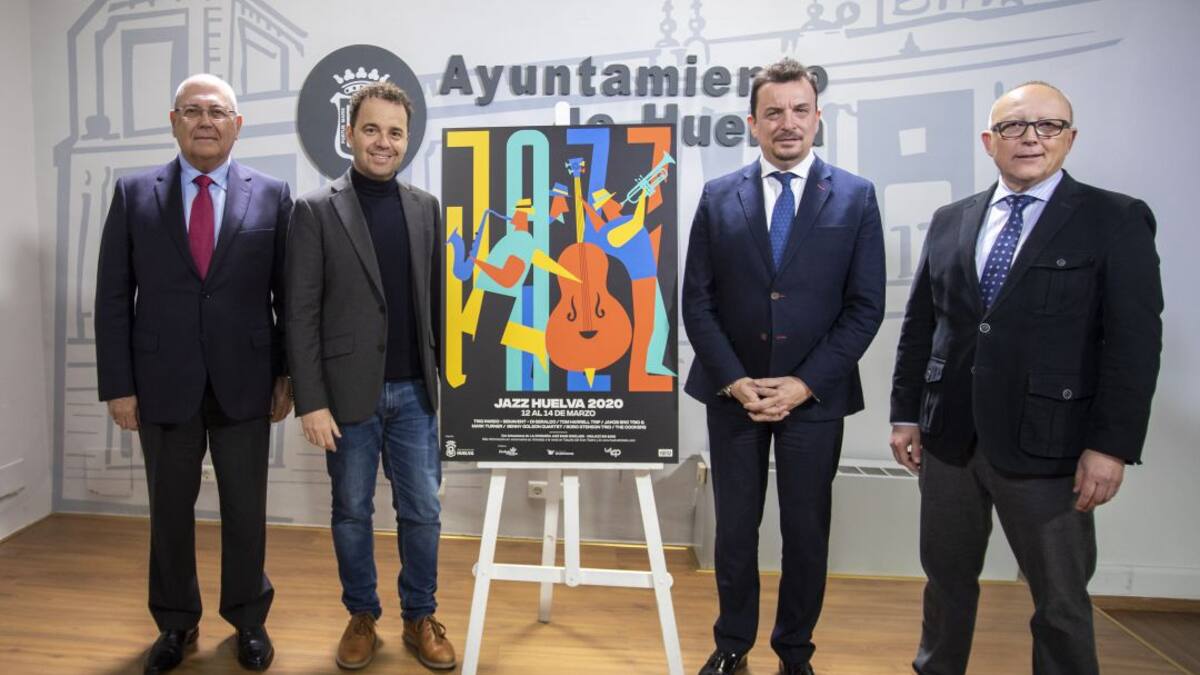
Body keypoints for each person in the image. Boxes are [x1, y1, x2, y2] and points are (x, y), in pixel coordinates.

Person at [889, 81, 1163, 675]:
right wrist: (906, 413)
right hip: (950, 439)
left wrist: (1111, 446)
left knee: (1060, 601)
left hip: (1051, 445)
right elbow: (922, 326)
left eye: (1048, 125)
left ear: (1070, 138)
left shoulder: (1114, 219)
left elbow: (1135, 345)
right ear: (990, 141)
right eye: (1014, 127)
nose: (1031, 138)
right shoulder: (951, 219)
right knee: (945, 584)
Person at [682, 57, 886, 675]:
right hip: (735, 395)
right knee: (734, 531)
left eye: (800, 110)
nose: (787, 123)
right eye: (773, 112)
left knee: (805, 531)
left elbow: (865, 307)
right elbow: (697, 301)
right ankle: (732, 645)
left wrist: (803, 383)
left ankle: (795, 652)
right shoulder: (719, 196)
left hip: (813, 399)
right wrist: (734, 380)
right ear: (753, 122)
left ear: (818, 118)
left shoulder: (855, 196)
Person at [94, 73, 291, 673]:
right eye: (193, 110)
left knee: (245, 509)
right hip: (162, 381)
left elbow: (289, 295)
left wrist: (286, 377)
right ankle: (175, 623)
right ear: (174, 121)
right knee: (170, 511)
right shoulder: (134, 193)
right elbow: (112, 296)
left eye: (217, 111)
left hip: (246, 381)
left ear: (238, 125)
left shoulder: (273, 194)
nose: (205, 121)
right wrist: (119, 386)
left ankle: (248, 619)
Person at [285, 80, 454, 671]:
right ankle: (361, 614)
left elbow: (438, 303)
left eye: (395, 132)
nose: (384, 142)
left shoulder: (426, 208)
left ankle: (419, 615)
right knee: (352, 512)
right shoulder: (314, 210)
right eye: (372, 129)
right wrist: (311, 401)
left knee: (423, 512)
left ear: (408, 140)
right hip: (345, 398)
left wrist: (453, 386)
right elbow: (300, 314)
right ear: (350, 134)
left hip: (416, 394)